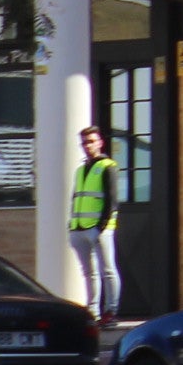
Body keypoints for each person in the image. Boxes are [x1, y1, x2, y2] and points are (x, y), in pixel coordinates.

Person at [69, 124, 122, 323]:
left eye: (91, 141)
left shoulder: (108, 166)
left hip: (99, 229)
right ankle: (93, 311)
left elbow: (112, 199)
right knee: (89, 273)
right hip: (79, 227)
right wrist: (71, 226)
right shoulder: (81, 169)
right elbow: (76, 197)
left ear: (100, 143)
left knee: (107, 270)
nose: (87, 146)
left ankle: (111, 311)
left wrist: (101, 227)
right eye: (84, 142)